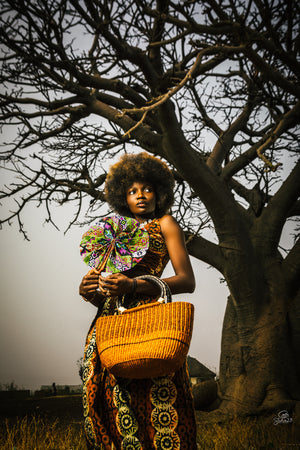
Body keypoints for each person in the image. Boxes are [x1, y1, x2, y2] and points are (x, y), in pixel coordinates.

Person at [79, 152, 197, 449]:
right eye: (132, 191)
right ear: (123, 197)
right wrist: (89, 291)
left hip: (152, 321)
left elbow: (187, 281)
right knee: (107, 403)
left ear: (160, 193)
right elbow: (107, 294)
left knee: (158, 400)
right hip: (108, 326)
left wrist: (133, 284)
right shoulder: (113, 231)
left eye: (147, 189)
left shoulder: (166, 224)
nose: (141, 196)